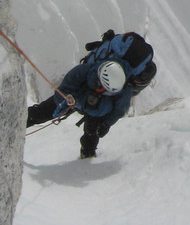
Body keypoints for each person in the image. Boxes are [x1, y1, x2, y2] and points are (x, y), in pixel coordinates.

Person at [26, 30, 157, 159]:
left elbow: (118, 110)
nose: (101, 89)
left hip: (95, 107)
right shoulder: (83, 72)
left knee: (91, 132)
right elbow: (64, 89)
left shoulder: (123, 90)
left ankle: (88, 154)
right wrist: (66, 100)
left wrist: (106, 124)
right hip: (78, 96)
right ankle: (21, 120)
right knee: (43, 112)